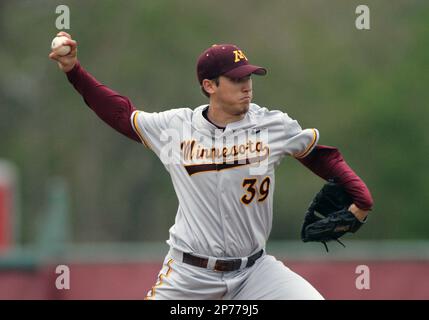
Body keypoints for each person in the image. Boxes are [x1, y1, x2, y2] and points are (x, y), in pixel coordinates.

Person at [49, 31, 373, 300]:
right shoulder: (175, 128)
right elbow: (120, 113)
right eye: (235, 79)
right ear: (209, 86)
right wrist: (75, 72)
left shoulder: (272, 125)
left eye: (249, 76)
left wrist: (361, 195)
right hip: (190, 275)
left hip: (255, 273)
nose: (247, 85)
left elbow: (319, 154)